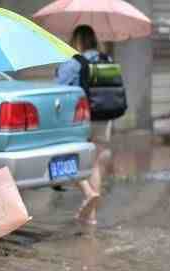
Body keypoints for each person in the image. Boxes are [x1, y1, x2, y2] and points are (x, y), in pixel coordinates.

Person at [56, 25, 112, 225]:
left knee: (64, 156)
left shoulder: (73, 63)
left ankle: (88, 193)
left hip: (81, 118)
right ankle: (92, 216)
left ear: (77, 40)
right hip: (105, 117)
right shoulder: (106, 59)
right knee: (96, 163)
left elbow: (59, 91)